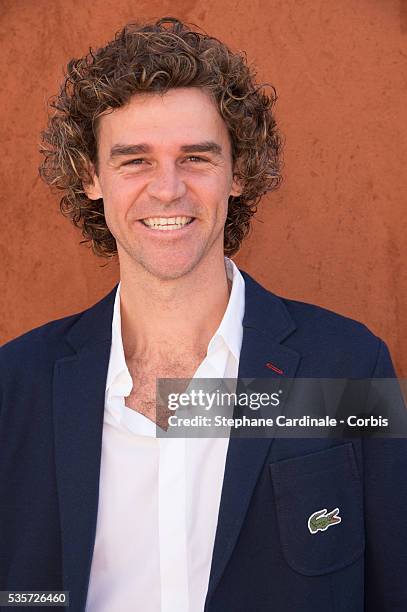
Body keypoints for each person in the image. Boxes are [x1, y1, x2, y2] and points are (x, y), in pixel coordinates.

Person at [0, 17, 406, 612]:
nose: (168, 189)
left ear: (237, 172)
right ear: (91, 177)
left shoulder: (349, 365)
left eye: (195, 156)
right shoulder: (16, 385)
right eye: (134, 160)